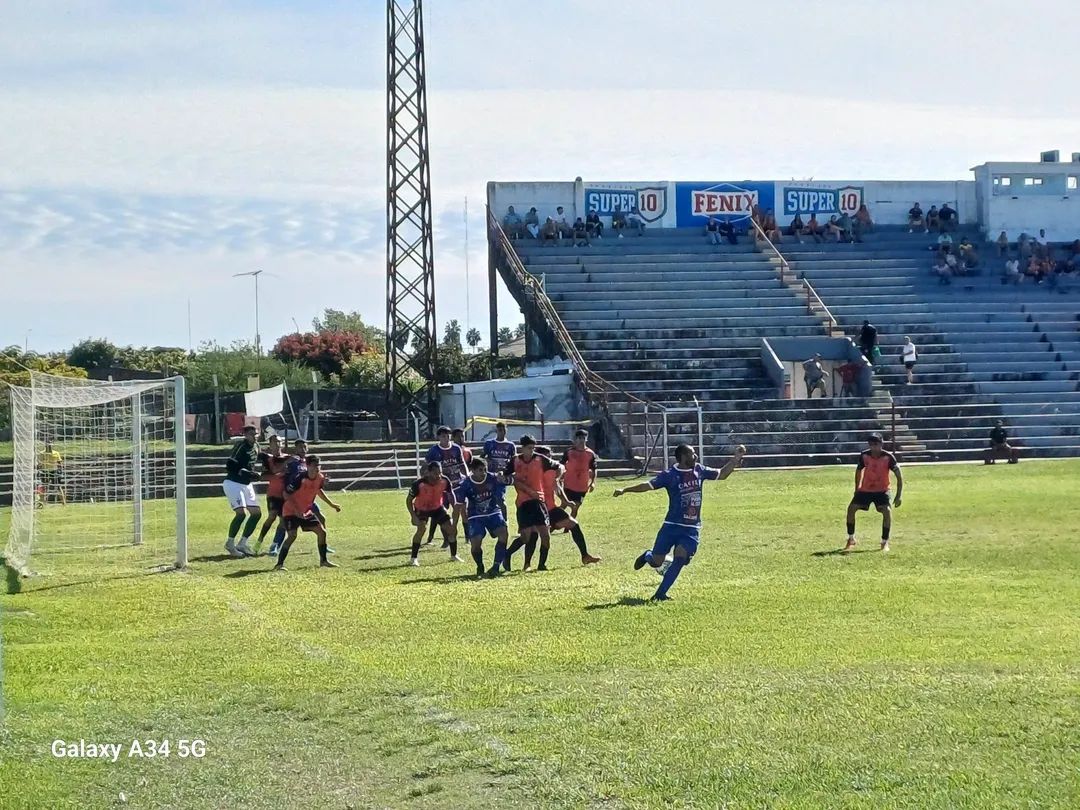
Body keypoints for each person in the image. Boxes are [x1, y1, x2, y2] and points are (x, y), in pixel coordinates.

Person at [614, 444, 746, 602]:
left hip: (691, 528)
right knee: (657, 561)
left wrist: (735, 459)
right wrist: (625, 490)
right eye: (692, 454)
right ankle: (648, 556)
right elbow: (647, 486)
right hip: (671, 527)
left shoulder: (699, 470)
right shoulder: (669, 475)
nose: (696, 456)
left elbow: (722, 474)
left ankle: (660, 594)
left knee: (680, 558)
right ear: (683, 457)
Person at [502, 435, 560, 571]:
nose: (532, 451)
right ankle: (507, 554)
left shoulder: (540, 459)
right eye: (529, 448)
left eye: (533, 448)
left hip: (538, 502)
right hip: (523, 503)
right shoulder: (515, 461)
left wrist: (557, 477)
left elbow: (559, 466)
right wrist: (504, 476)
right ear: (522, 448)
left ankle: (541, 565)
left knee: (545, 535)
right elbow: (506, 475)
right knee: (526, 537)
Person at [272, 455, 341, 570]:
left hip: (305, 511)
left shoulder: (320, 477)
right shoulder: (300, 478)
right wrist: (297, 511)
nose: (317, 468)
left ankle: (323, 561)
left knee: (322, 532)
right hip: (291, 511)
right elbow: (286, 494)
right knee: (292, 536)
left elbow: (318, 490)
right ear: (307, 466)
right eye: (314, 465)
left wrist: (332, 505)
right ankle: (279, 564)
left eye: (319, 465)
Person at [844, 433, 902, 553]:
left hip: (882, 491)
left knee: (887, 511)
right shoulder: (864, 455)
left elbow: (899, 475)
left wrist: (898, 495)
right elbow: (859, 470)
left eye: (875, 444)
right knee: (851, 509)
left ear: (881, 444)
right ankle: (851, 539)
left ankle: (884, 541)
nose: (873, 447)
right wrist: (857, 488)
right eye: (871, 444)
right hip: (866, 490)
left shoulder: (888, 457)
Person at [453, 458, 510, 578]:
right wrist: (454, 525)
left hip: (493, 511)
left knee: (503, 534)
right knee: (476, 543)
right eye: (480, 470)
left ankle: (496, 566)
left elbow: (504, 488)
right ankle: (480, 566)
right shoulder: (465, 484)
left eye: (485, 469)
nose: (483, 472)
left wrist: (506, 518)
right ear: (472, 470)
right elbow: (459, 505)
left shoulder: (493, 478)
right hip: (475, 515)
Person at [406, 461, 460, 566]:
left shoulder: (445, 480)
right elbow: (409, 500)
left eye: (440, 472)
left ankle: (454, 555)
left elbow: (450, 494)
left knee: (451, 529)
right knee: (422, 529)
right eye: (435, 473)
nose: (438, 476)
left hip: (437, 508)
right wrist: (413, 516)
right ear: (428, 472)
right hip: (422, 509)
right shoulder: (418, 484)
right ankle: (413, 559)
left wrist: (455, 506)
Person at [425, 426, 468, 546]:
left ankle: (467, 537)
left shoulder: (456, 448)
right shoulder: (434, 451)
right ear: (438, 437)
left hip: (457, 484)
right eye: (443, 436)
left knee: (462, 510)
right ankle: (446, 539)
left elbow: (462, 464)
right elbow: (427, 466)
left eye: (448, 435)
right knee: (442, 513)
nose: (446, 438)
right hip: (442, 487)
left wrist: (468, 476)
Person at [222, 425, 261, 557]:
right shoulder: (240, 446)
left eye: (256, 434)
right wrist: (247, 472)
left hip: (246, 484)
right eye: (251, 434)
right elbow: (230, 465)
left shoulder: (257, 446)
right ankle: (230, 543)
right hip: (233, 483)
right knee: (241, 514)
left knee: (256, 513)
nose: (254, 436)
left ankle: (242, 543)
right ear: (245, 434)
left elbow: (261, 458)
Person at [253, 435, 288, 555]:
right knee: (272, 516)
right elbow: (263, 476)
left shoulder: (288, 458)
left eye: (279, 442)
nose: (277, 444)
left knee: (283, 520)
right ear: (270, 445)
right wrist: (279, 473)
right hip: (273, 493)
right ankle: (259, 541)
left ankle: (274, 546)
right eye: (275, 442)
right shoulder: (268, 459)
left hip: (286, 494)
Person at [561, 429, 598, 517]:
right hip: (568, 484)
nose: (581, 440)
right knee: (564, 505)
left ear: (586, 439)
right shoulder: (569, 452)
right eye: (579, 438)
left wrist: (592, 483)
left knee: (576, 507)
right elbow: (561, 465)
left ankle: (569, 528)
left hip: (582, 486)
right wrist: (559, 478)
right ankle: (553, 522)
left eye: (583, 438)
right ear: (575, 439)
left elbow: (594, 469)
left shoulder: (590, 453)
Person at [38, 440, 67, 506]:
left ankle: (63, 503)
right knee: (44, 487)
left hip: (54, 471)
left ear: (52, 445)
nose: (49, 446)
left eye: (50, 445)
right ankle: (43, 502)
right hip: (45, 471)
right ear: (45, 446)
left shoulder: (56, 453)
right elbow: (40, 463)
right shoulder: (42, 453)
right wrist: (39, 467)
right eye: (48, 445)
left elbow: (60, 462)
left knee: (58, 487)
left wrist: (61, 469)